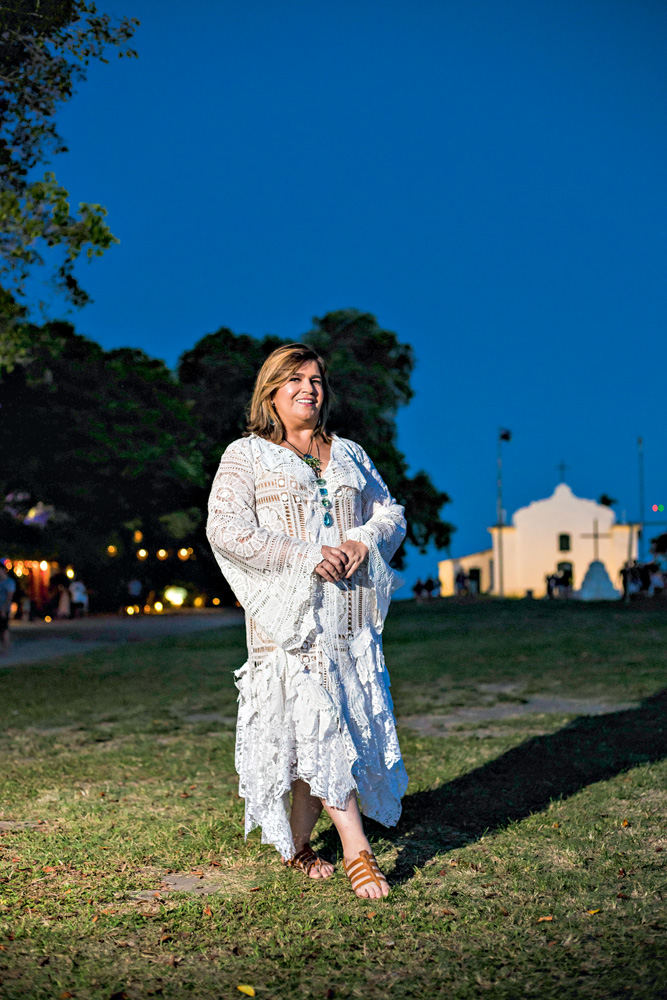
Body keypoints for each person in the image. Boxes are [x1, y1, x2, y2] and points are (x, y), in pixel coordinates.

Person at [206, 343, 408, 900]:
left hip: (346, 621)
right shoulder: (245, 456)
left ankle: (296, 849)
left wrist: (361, 541)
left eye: (316, 379)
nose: (308, 389)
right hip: (286, 620)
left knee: (314, 731)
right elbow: (225, 529)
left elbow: (390, 511)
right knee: (320, 718)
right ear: (271, 390)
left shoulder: (349, 453)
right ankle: (357, 851)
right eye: (294, 379)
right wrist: (305, 555)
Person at [0, 563, 16, 655]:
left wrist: (4, 609)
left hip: (4, 609)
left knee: (4, 629)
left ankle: (6, 649)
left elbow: (9, 597)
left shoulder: (9, 582)